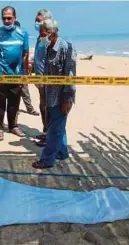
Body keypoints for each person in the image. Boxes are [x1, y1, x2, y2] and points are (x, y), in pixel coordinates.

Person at [32, 18, 77, 169]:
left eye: (43, 34)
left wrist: (67, 99)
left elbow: (70, 77)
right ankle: (62, 152)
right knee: (57, 127)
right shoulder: (48, 48)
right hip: (50, 95)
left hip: (61, 98)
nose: (42, 37)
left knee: (54, 131)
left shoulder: (66, 48)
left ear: (53, 33)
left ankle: (47, 160)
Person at [0, 6, 29, 141]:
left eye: (9, 18)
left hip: (17, 75)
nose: (7, 21)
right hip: (0, 73)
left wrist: (25, 73)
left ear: (14, 18)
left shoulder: (23, 33)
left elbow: (25, 54)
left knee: (14, 103)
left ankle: (13, 126)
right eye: (4, 18)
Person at [33, 9, 53, 147]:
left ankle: (49, 136)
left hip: (48, 82)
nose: (36, 23)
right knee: (42, 107)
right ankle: (46, 131)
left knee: (48, 108)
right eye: (36, 20)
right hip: (39, 81)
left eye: (39, 20)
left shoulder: (51, 40)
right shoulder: (40, 38)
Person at [13, 20, 39, 117]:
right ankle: (15, 109)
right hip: (11, 70)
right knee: (14, 91)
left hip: (22, 69)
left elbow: (26, 55)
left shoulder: (22, 39)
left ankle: (30, 108)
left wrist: (27, 69)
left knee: (25, 90)